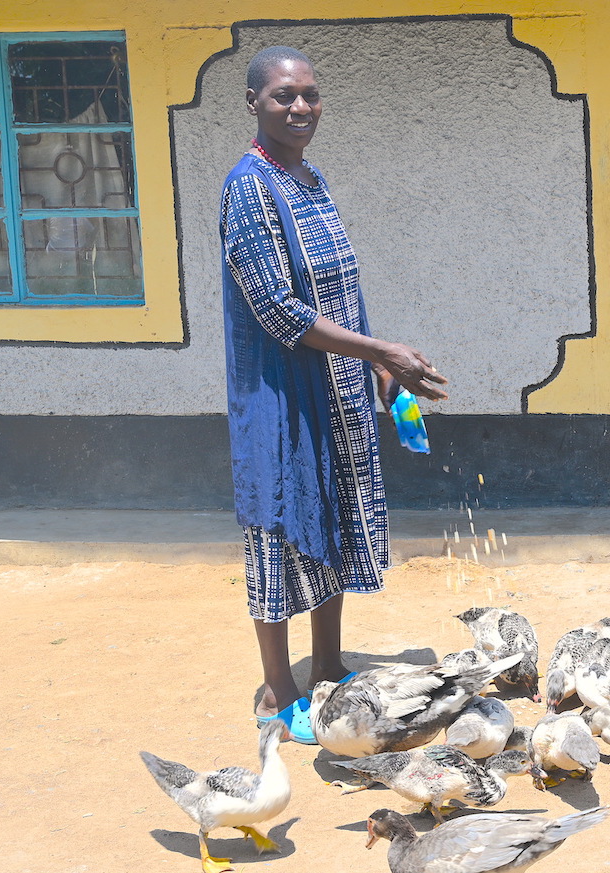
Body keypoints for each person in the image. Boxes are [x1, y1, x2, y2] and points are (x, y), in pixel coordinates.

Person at [220, 46, 448, 743]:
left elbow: (338, 289)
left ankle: (327, 666)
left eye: (310, 95)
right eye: (284, 96)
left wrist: (377, 367)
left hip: (338, 384)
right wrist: (378, 350)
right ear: (253, 103)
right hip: (280, 394)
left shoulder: (309, 179)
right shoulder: (248, 188)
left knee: (336, 523)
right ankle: (278, 692)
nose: (300, 108)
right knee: (280, 529)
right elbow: (278, 310)